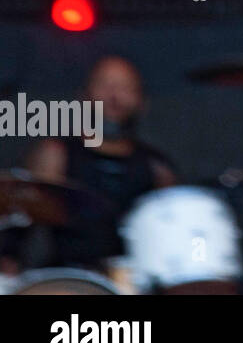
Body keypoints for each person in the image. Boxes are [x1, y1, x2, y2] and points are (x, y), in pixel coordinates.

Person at [25, 54, 176, 267]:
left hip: (137, 279)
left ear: (142, 101)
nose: (114, 96)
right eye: (105, 85)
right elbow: (21, 215)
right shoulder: (57, 152)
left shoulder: (156, 165)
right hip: (69, 279)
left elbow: (173, 230)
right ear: (83, 97)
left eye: (126, 88)